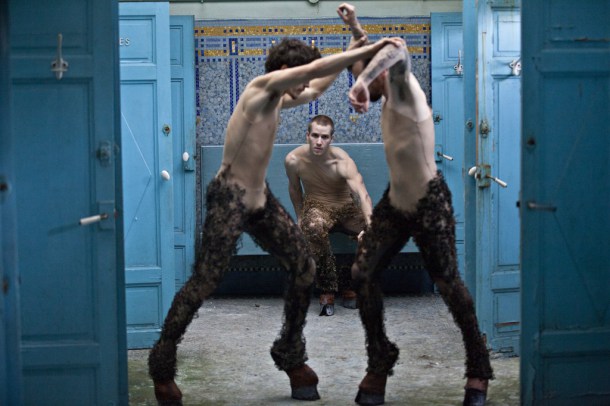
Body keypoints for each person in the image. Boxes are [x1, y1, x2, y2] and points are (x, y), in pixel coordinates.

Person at [147, 35, 403, 405]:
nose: (304, 85)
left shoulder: (278, 98)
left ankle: (290, 354)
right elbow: (316, 71)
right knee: (204, 281)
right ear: (285, 70)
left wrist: (350, 53)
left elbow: (316, 85)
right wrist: (370, 51)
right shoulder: (259, 89)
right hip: (229, 199)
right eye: (300, 76)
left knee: (303, 267)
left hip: (259, 199)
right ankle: (162, 368)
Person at [339, 4, 494, 406]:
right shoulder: (385, 91)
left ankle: (478, 369)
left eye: (360, 76)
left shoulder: (405, 88)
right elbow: (369, 49)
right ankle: (379, 361)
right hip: (395, 202)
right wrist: (354, 26)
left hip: (429, 202)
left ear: (377, 74)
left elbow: (395, 47)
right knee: (361, 273)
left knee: (448, 283)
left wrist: (363, 81)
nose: (357, 83)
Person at [285, 114, 372, 316]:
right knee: (312, 226)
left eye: (324, 137)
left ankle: (350, 284)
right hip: (317, 207)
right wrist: (300, 217)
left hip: (347, 208)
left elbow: (362, 194)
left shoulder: (342, 161)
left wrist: (370, 225)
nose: (319, 141)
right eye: (315, 135)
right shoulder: (293, 160)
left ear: (331, 138)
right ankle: (327, 289)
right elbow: (295, 189)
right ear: (307, 136)